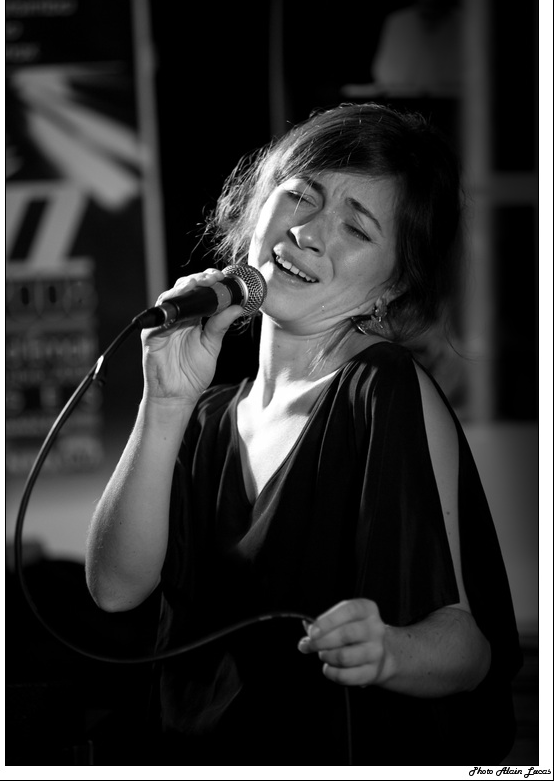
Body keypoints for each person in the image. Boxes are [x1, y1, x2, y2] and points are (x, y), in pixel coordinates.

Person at [85, 102, 522, 766]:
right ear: (256, 208)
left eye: (357, 228)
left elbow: (469, 649)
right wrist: (166, 403)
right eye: (299, 196)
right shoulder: (206, 416)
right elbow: (116, 588)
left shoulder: (380, 388)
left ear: (393, 287)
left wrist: (388, 651)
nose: (309, 233)